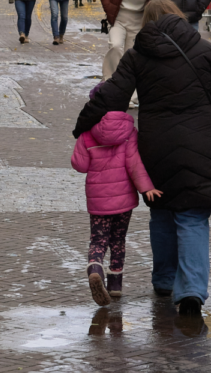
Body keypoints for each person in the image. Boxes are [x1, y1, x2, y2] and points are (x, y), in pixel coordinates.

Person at [74, 0, 211, 317]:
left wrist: (85, 125)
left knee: (163, 212)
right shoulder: (206, 50)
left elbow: (114, 96)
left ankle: (165, 280)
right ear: (179, 17)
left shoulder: (138, 56)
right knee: (193, 216)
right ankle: (192, 289)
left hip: (156, 149)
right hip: (202, 145)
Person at [72, 103, 163, 306]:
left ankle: (95, 270)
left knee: (98, 240)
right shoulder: (130, 132)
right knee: (118, 240)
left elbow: (81, 165)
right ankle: (115, 286)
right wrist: (146, 188)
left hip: (98, 199)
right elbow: (134, 163)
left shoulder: (87, 134)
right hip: (124, 200)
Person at [98, 0, 149, 91]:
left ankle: (129, 91)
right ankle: (110, 80)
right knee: (115, 46)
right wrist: (109, 9)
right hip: (119, 18)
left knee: (131, 57)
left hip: (138, 21)